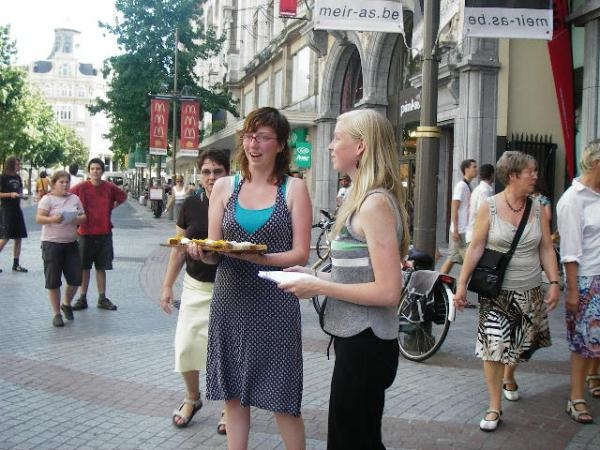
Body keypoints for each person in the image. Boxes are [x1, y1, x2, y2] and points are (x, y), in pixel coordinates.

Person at [280, 109, 409, 449]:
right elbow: (358, 273)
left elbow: (388, 291)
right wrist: (314, 274)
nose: (330, 145)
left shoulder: (374, 203)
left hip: (367, 344)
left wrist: (318, 285)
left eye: (337, 138)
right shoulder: (363, 198)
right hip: (359, 341)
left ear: (361, 146)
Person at [188, 107, 312, 449]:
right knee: (233, 396)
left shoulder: (294, 188)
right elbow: (215, 249)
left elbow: (301, 253)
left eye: (263, 137)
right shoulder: (224, 187)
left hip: (276, 302)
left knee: (283, 398)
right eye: (249, 136)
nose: (254, 144)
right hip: (230, 300)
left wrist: (262, 258)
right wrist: (201, 251)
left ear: (280, 144)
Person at [453, 151, 560, 432]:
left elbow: (546, 248)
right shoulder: (489, 206)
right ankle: (494, 406)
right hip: (496, 291)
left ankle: (509, 375)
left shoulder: (537, 208)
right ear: (512, 176)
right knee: (493, 346)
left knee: (521, 345)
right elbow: (476, 247)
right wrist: (462, 284)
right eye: (530, 172)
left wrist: (554, 282)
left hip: (530, 290)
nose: (535, 176)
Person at [160, 149, 230, 432]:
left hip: (229, 288)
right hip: (194, 286)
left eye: (218, 171)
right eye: (206, 172)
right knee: (186, 345)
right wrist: (167, 285)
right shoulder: (191, 204)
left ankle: (230, 407)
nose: (211, 177)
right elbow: (178, 248)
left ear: (228, 173)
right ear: (199, 175)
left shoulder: (237, 204)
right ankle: (192, 398)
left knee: (227, 350)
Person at [557, 140, 600, 424]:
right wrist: (573, 290)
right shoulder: (573, 200)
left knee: (595, 341)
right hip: (586, 279)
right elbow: (570, 251)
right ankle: (576, 398)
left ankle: (593, 379)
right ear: (597, 164)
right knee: (583, 342)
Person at [70, 158, 127, 311]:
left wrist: (110, 207)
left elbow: (122, 196)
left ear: (102, 171)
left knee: (101, 267)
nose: (95, 171)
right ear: (89, 171)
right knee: (84, 268)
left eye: (98, 169)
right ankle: (82, 298)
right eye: (92, 169)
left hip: (104, 233)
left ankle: (102, 298)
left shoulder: (109, 187)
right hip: (85, 233)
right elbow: (68, 197)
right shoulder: (81, 187)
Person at [35, 170, 86, 327]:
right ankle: (56, 313)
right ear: (54, 184)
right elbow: (39, 218)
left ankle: (66, 303)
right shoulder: (47, 199)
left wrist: (75, 219)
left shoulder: (74, 198)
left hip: (71, 243)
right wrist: (53, 219)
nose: (65, 185)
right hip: (52, 243)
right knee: (53, 280)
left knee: (76, 278)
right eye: (61, 182)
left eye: (67, 182)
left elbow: (83, 216)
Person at [440, 159, 477, 275]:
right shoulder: (461, 186)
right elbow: (454, 208)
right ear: (466, 169)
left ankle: (437, 281)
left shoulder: (467, 186)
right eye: (474, 167)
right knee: (469, 263)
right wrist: (455, 230)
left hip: (462, 230)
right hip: (461, 231)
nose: (476, 170)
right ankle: (461, 283)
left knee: (452, 259)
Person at [0, 156, 29, 273]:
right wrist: (10, 194)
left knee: (18, 237)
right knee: (5, 237)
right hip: (6, 210)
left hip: (17, 209)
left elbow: (19, 191)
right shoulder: (3, 177)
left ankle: (16, 263)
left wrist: (21, 196)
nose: (19, 166)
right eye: (17, 164)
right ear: (11, 164)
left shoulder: (17, 177)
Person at [465, 163, 495, 244]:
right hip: (477, 236)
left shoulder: (479, 189)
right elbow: (482, 214)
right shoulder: (485, 191)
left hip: (474, 234)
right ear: (492, 175)